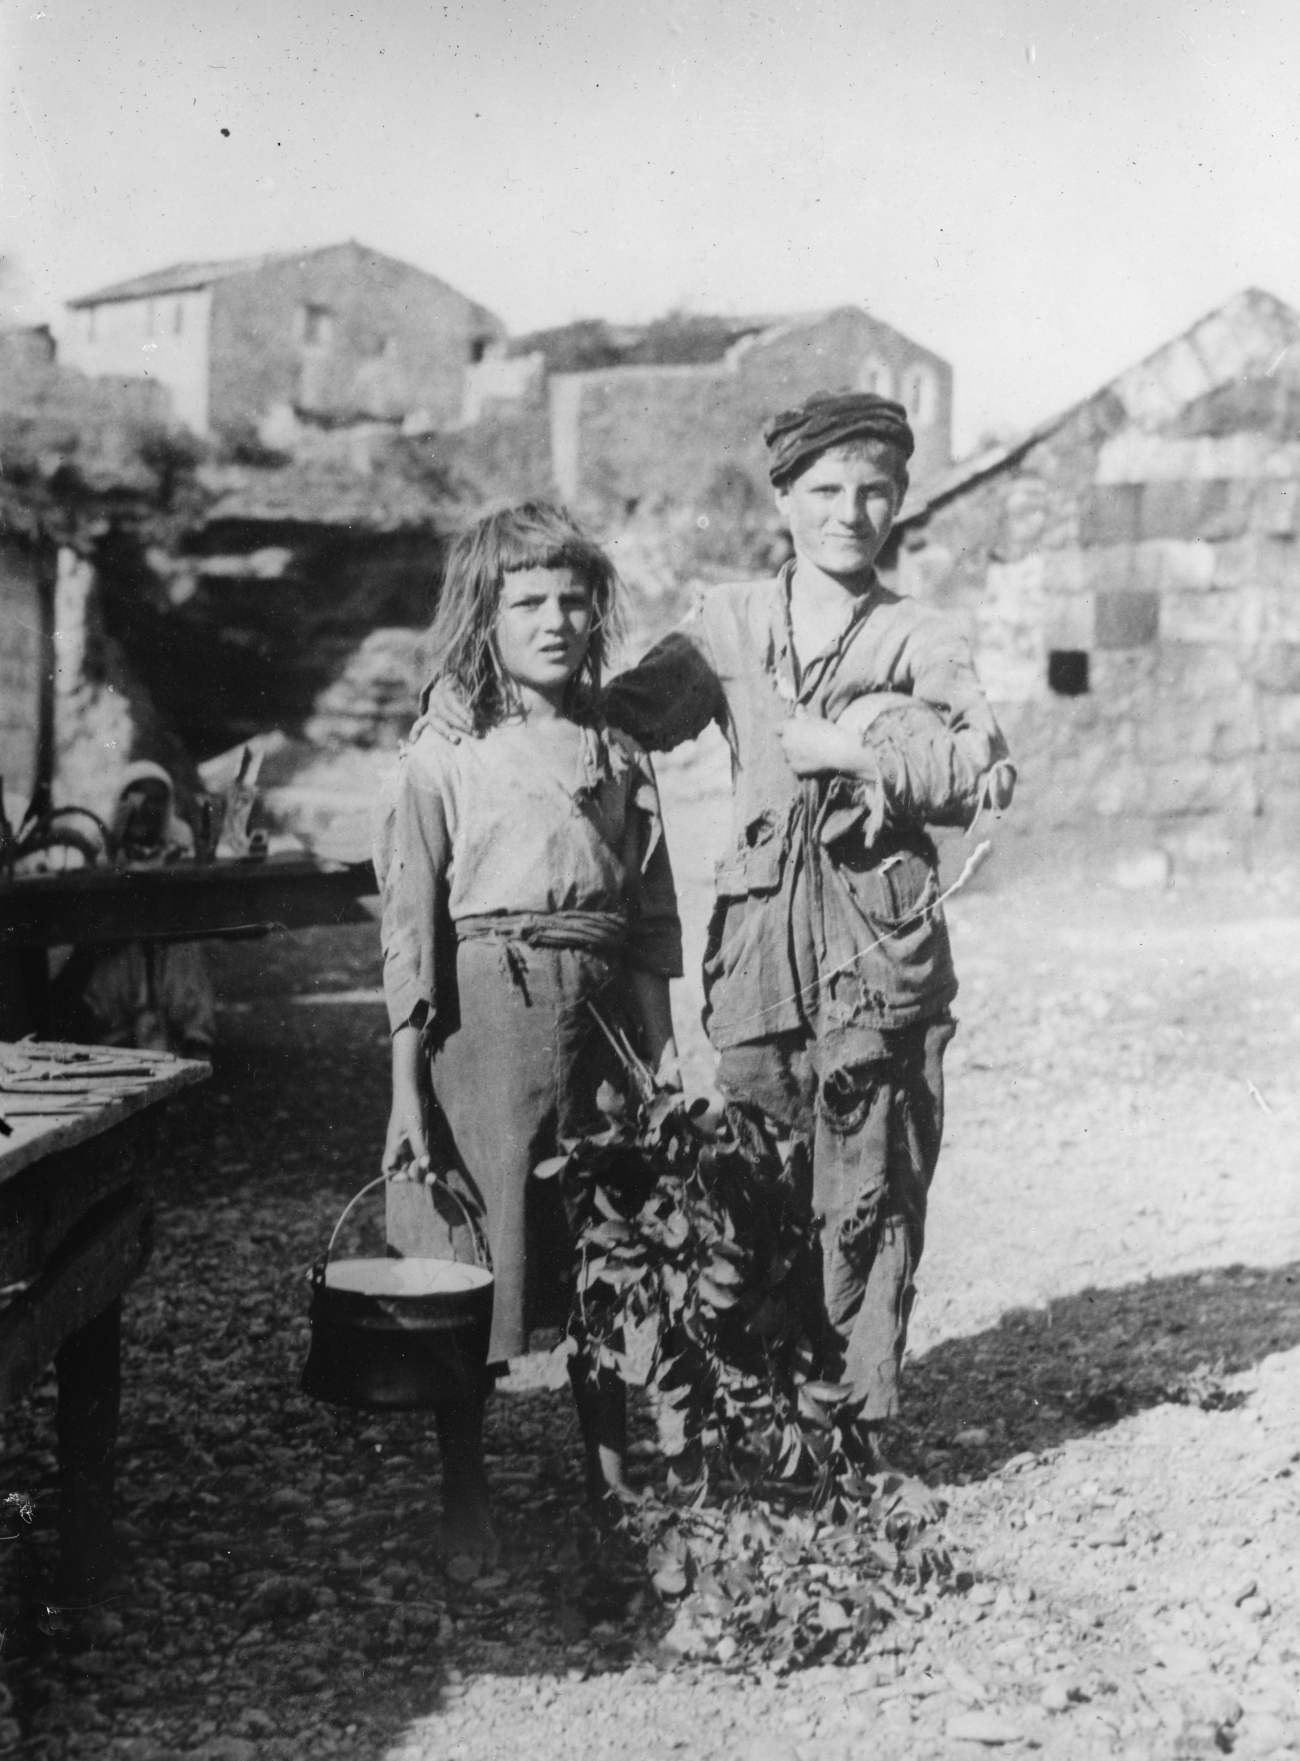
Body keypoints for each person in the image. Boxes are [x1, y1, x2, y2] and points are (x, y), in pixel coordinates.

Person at [421, 393, 1014, 1463]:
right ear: (782, 499)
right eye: (825, 490)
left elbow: (983, 767)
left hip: (879, 963)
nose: (851, 511)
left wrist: (856, 750)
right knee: (752, 1198)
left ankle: (855, 1444)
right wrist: (478, 699)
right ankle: (765, 1434)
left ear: (901, 500)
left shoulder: (923, 635)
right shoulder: (731, 621)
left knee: (870, 1197)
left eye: (875, 489)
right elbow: (623, 708)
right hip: (755, 976)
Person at [373, 500, 683, 1563]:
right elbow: (409, 931)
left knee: (606, 1251)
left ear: (597, 612)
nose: (554, 621)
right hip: (482, 1024)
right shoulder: (446, 751)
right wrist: (406, 1092)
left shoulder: (619, 747)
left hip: (602, 1025)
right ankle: (466, 1493)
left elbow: (649, 918)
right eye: (527, 603)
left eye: (572, 600)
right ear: (486, 617)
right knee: (474, 1258)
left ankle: (611, 1486)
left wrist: (664, 1057)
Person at [50, 762, 216, 1058]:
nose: (147, 807)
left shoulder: (179, 839)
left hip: (167, 932)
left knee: (181, 947)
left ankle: (189, 1031)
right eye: (138, 797)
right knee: (120, 951)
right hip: (116, 935)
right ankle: (118, 1029)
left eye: (157, 799)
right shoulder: (103, 843)